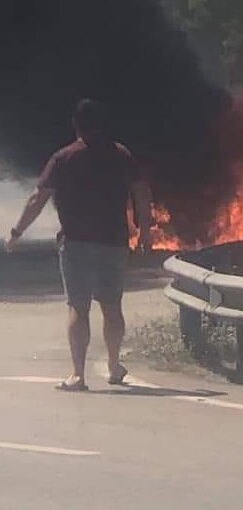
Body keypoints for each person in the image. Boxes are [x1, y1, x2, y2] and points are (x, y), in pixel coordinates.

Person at [5, 99, 151, 391]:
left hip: (76, 244)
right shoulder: (121, 154)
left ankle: (78, 374)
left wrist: (17, 231)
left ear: (76, 125)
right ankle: (113, 365)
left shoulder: (64, 158)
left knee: (78, 307)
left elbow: (38, 198)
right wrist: (145, 230)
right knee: (112, 306)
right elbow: (141, 191)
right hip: (114, 242)